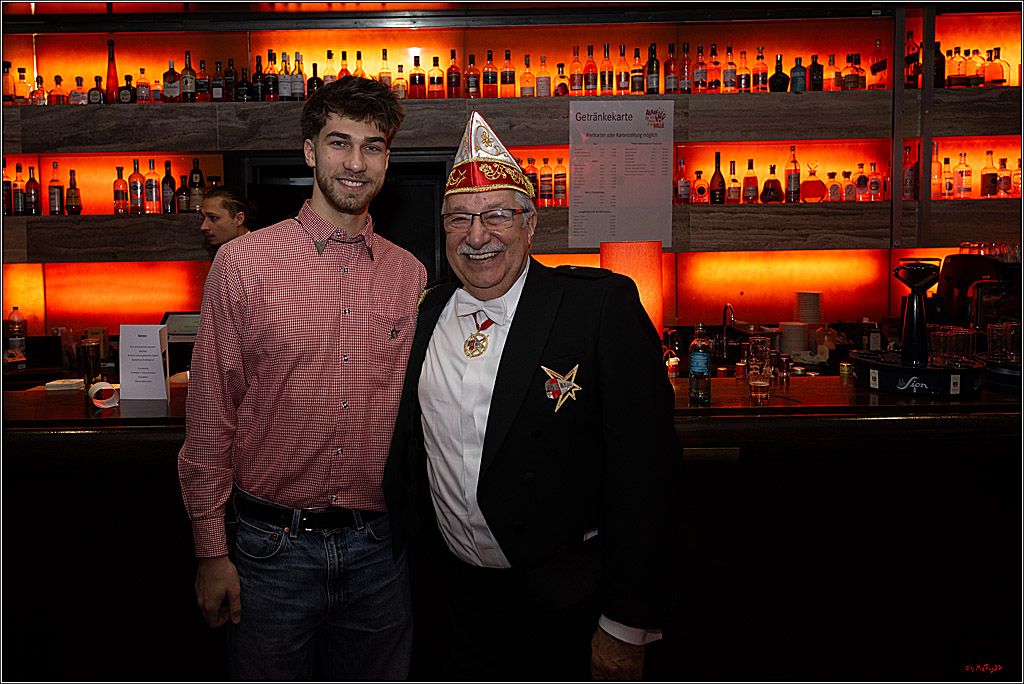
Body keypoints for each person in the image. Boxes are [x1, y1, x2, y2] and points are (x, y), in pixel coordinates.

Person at [383, 111, 676, 680]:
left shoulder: (597, 309)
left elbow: (648, 477)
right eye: (459, 219)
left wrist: (627, 624)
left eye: (496, 214)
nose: (477, 235)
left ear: (530, 222)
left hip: (569, 606)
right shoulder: (426, 312)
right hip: (454, 602)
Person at [178, 76, 427, 680]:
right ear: (311, 151)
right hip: (271, 553)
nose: (356, 162)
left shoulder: (409, 275)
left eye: (373, 146)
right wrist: (211, 549)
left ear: (387, 158)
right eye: (339, 143)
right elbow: (212, 414)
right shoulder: (243, 265)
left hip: (378, 552)